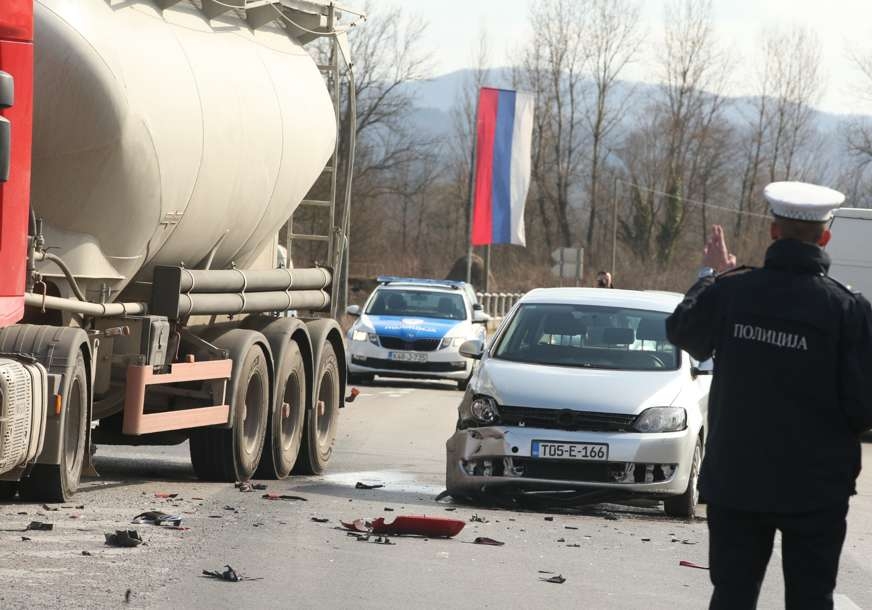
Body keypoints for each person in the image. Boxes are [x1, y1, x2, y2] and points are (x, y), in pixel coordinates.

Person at [665, 181, 872, 610]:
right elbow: (864, 407)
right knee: (813, 598)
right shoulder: (848, 310)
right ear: (825, 237)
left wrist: (712, 275)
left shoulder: (732, 291)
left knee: (733, 594)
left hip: (737, 481)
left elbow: (683, 331)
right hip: (817, 488)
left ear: (774, 232)